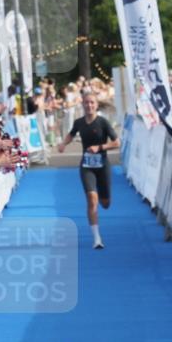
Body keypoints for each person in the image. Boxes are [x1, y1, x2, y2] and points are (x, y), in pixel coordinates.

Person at [57, 92, 119, 249]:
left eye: (92, 102)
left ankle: (105, 200)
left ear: (96, 105)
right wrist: (63, 144)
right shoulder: (79, 122)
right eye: (86, 103)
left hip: (103, 166)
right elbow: (71, 135)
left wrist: (100, 147)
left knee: (105, 203)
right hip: (86, 167)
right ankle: (97, 238)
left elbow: (117, 142)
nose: (89, 105)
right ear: (82, 105)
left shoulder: (103, 122)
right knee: (92, 200)